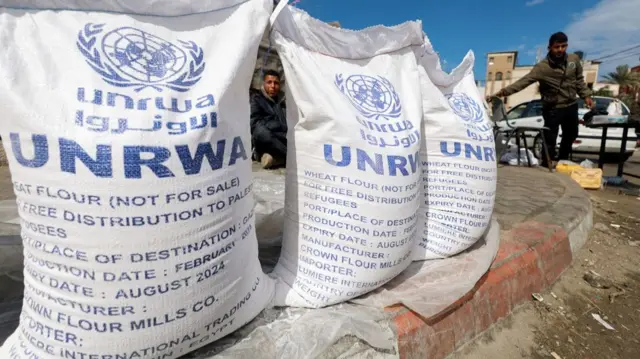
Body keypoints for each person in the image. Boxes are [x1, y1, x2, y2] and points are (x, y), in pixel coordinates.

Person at [487, 32, 593, 167]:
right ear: (550, 48)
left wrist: (586, 96)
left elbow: (579, 81)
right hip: (552, 108)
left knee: (571, 134)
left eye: (563, 46)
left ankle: (563, 160)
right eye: (557, 47)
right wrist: (501, 92)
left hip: (571, 105)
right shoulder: (542, 68)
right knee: (550, 138)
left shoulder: (573, 60)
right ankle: (546, 163)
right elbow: (523, 82)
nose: (560, 50)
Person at [250, 69, 287, 169]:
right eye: (269, 82)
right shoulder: (256, 99)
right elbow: (255, 123)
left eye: (276, 83)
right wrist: (280, 127)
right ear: (264, 84)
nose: (273, 86)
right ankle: (289, 156)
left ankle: (274, 159)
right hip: (268, 139)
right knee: (261, 132)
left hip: (283, 138)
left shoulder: (283, 101)